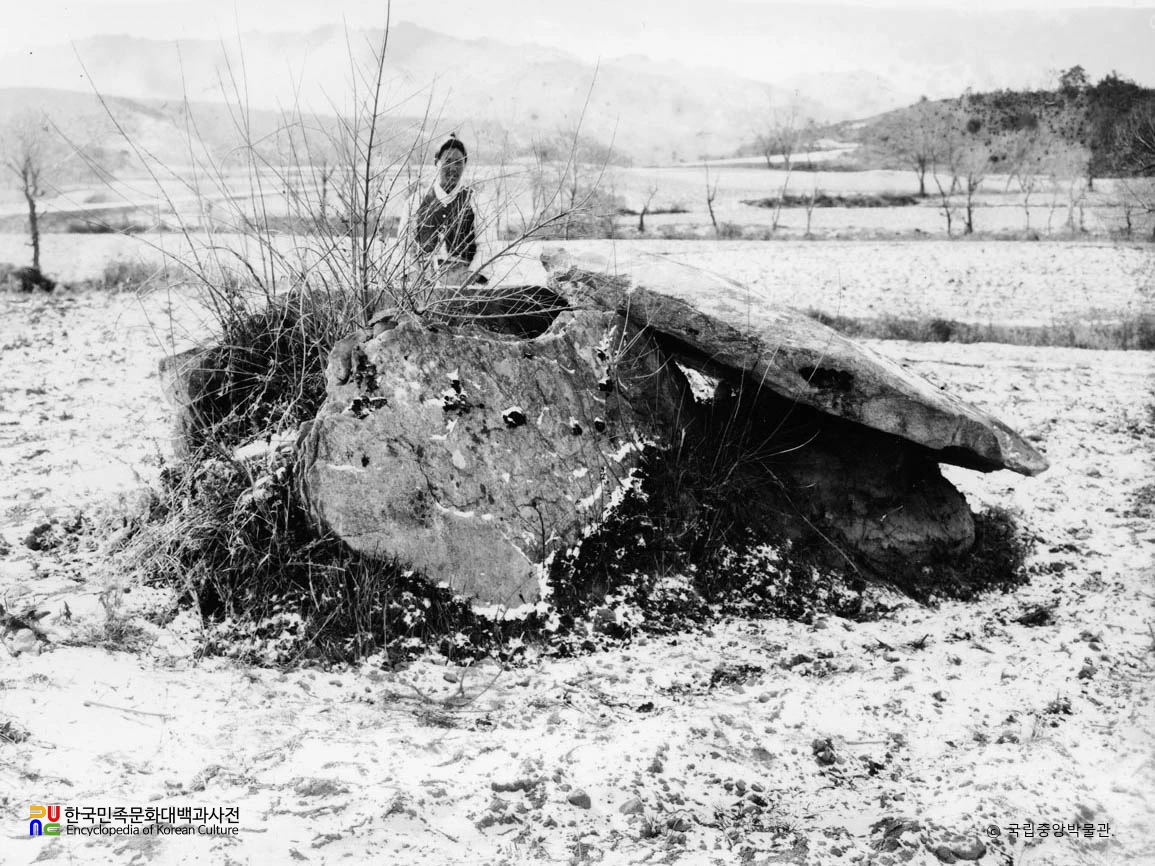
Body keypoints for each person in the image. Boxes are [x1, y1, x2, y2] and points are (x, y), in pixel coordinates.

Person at [400, 133, 486, 291]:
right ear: (436, 163)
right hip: (423, 285)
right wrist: (416, 274)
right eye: (447, 161)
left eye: (459, 163)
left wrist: (470, 277)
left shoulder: (477, 201)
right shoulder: (416, 201)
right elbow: (405, 246)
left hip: (464, 287)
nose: (453, 168)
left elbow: (486, 246)